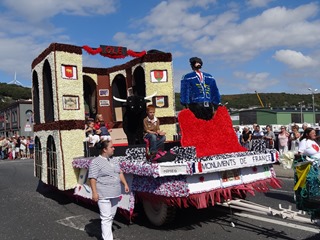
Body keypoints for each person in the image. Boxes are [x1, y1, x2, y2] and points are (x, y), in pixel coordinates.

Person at [88, 140, 129, 240]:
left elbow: (119, 173)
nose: (114, 148)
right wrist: (94, 193)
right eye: (111, 147)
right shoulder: (96, 162)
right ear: (104, 149)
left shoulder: (114, 160)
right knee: (106, 218)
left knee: (111, 216)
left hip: (115, 193)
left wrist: (125, 184)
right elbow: (92, 178)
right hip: (103, 194)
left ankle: (107, 235)